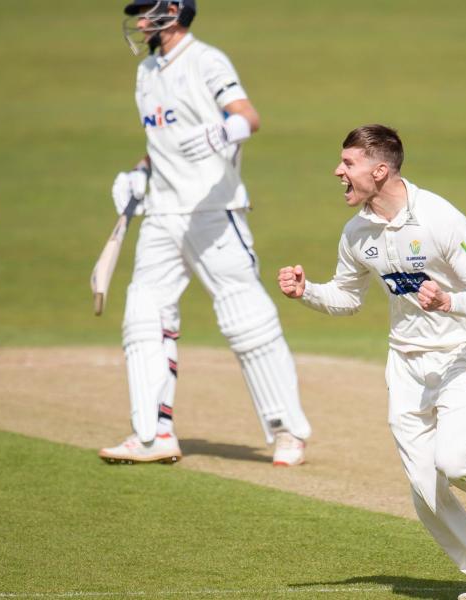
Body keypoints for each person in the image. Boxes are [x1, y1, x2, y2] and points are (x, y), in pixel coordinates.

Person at [277, 125, 466, 600]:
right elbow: (346, 298)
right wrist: (308, 293)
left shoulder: (441, 219)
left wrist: (449, 302)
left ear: (379, 170)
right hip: (405, 365)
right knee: (426, 490)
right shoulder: (357, 232)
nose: (338, 171)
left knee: (457, 464)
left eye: (348, 163)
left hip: (461, 358)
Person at [99, 0, 311, 467]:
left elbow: (247, 116)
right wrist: (139, 174)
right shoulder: (147, 71)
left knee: (244, 318)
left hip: (214, 211)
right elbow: (163, 142)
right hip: (162, 213)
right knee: (142, 317)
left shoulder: (206, 59)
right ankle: (153, 434)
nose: (137, 22)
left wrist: (222, 133)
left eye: (145, 11)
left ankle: (288, 432)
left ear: (172, 11)